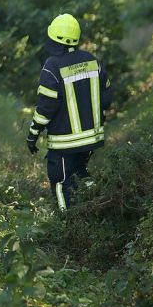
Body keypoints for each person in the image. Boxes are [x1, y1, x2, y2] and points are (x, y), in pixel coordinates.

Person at [26, 14, 113, 211]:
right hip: (91, 138)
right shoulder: (92, 61)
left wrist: (32, 135)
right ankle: (100, 208)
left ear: (53, 38)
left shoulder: (52, 66)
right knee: (81, 172)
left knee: (61, 181)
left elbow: (45, 108)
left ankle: (66, 227)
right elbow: (107, 97)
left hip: (64, 143)